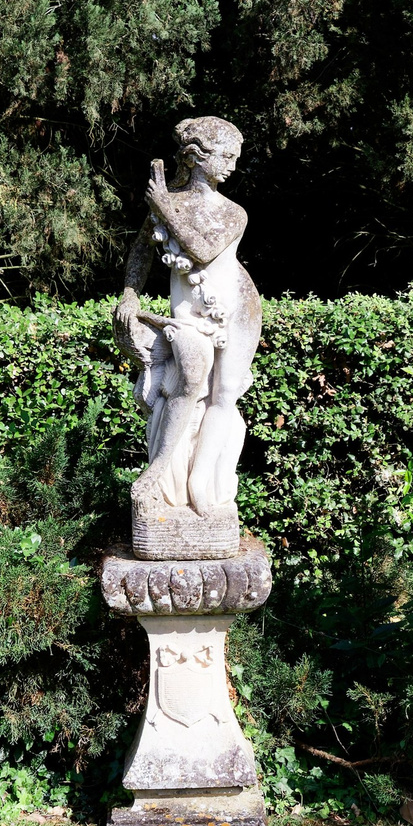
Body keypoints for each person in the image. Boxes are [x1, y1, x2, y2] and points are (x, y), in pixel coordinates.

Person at [114, 116, 262, 535]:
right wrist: (130, 292)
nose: (232, 165)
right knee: (189, 382)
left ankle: (203, 486)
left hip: (236, 309)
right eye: (225, 156)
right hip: (190, 316)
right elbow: (142, 250)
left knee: (224, 395)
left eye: (236, 157)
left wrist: (162, 204)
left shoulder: (232, 212)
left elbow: (198, 249)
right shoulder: (169, 202)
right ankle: (160, 474)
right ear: (197, 158)